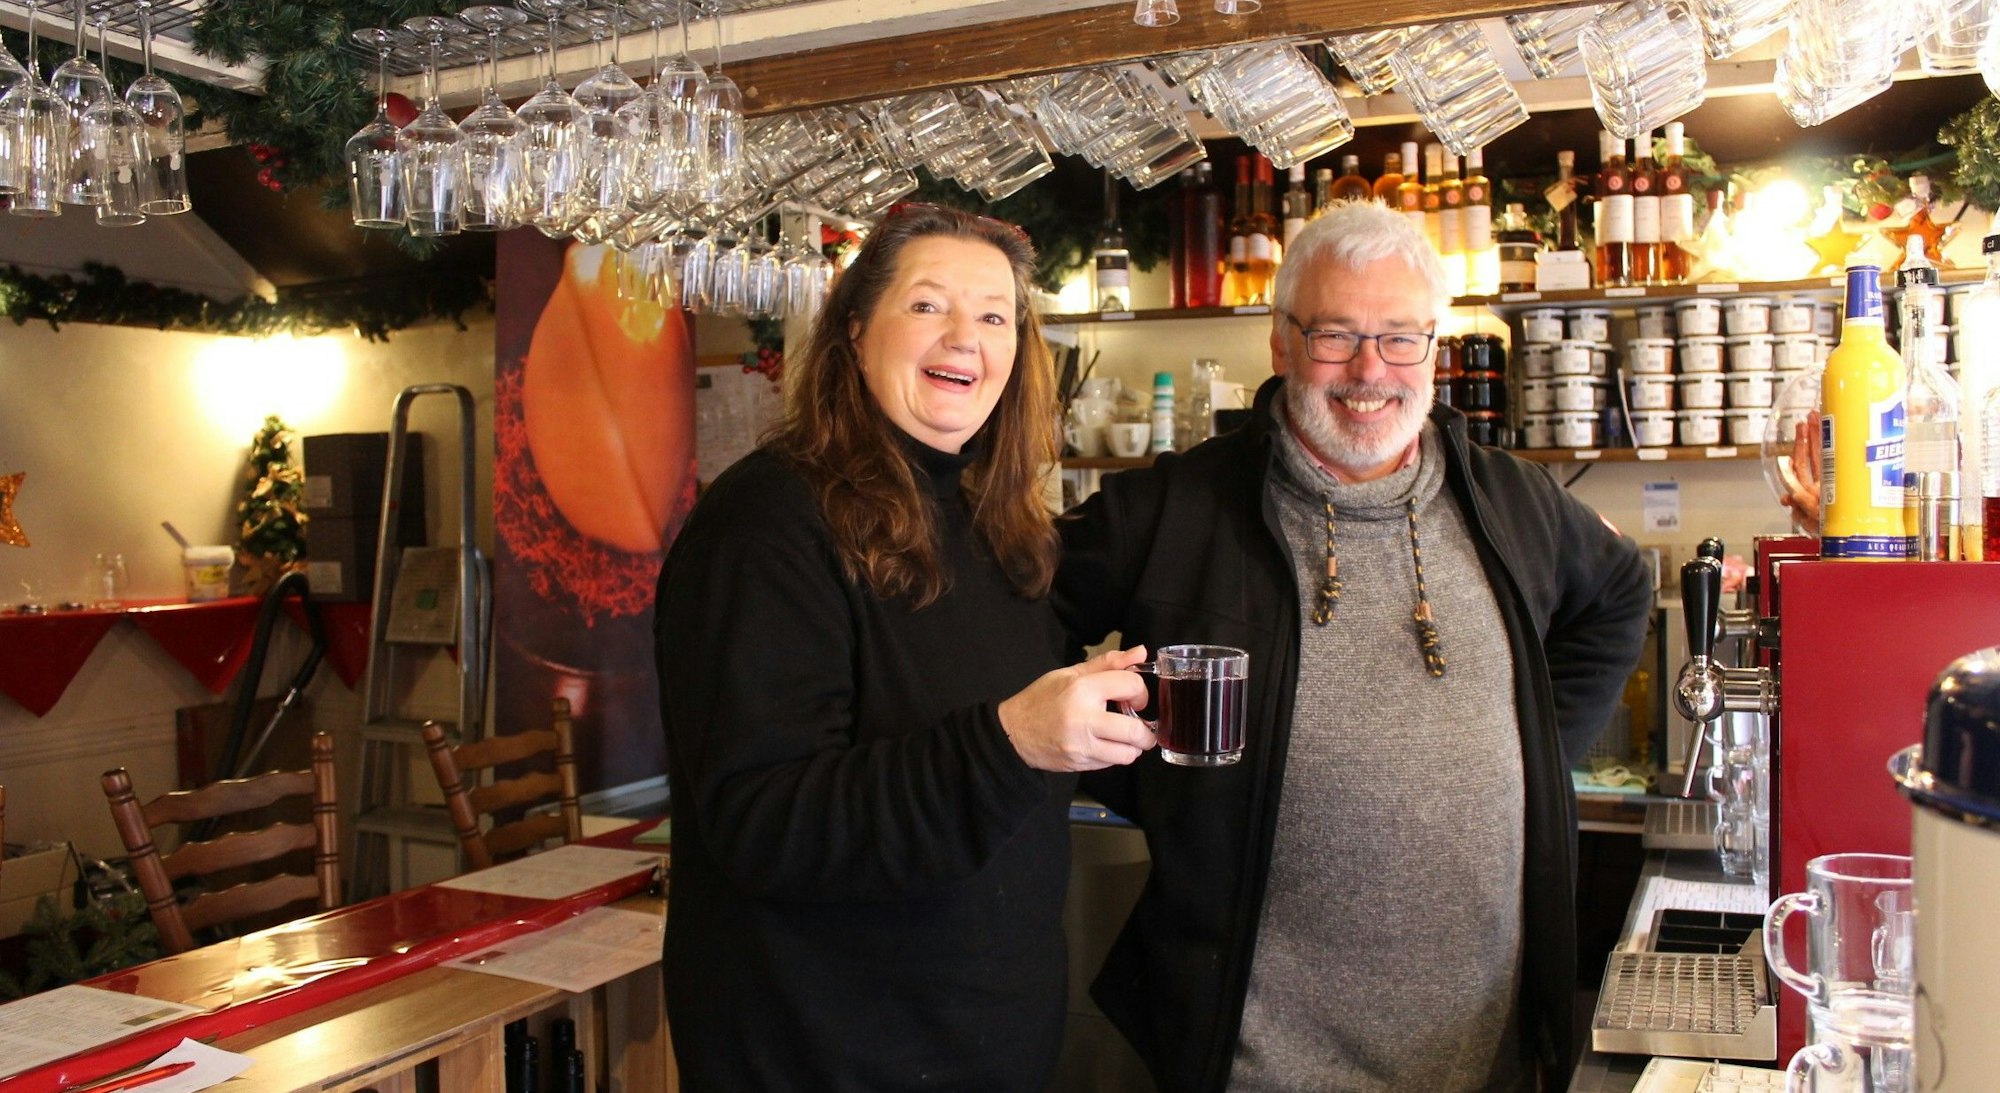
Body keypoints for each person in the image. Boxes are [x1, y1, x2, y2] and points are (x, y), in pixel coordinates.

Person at [1057, 200, 1653, 1092]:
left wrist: (1535, 750)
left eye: (1401, 337)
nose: (1371, 370)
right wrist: (1141, 774)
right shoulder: (1176, 509)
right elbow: (1016, 618)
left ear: (1434, 348)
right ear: (1281, 342)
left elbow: (1621, 591)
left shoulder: (1510, 499)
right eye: (1336, 335)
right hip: (1254, 1060)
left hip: (1483, 1050)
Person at [654, 203, 1155, 1091]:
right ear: (854, 332)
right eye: (928, 305)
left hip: (985, 1052)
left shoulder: (993, 528)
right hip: (821, 1058)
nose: (966, 335)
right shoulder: (767, 523)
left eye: (995, 315)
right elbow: (765, 821)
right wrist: (1012, 741)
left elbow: (989, 779)